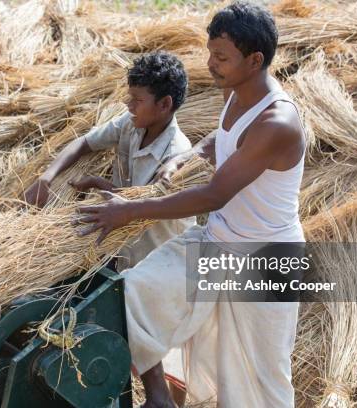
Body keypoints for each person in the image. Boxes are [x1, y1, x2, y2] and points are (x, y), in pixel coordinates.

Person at [76, 2, 306, 407]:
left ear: (255, 60)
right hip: (219, 242)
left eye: (222, 57)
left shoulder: (277, 122)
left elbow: (215, 194)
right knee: (136, 295)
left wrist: (130, 210)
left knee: (261, 382)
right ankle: (160, 399)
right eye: (210, 52)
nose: (211, 64)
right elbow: (222, 142)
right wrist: (189, 155)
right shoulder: (236, 95)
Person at [23, 51, 195, 272]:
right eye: (130, 96)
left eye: (138, 100)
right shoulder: (131, 123)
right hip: (121, 247)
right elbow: (83, 143)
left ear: (164, 105)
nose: (129, 105)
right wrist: (45, 179)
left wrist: (98, 184)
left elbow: (140, 208)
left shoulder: (176, 156)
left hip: (156, 259)